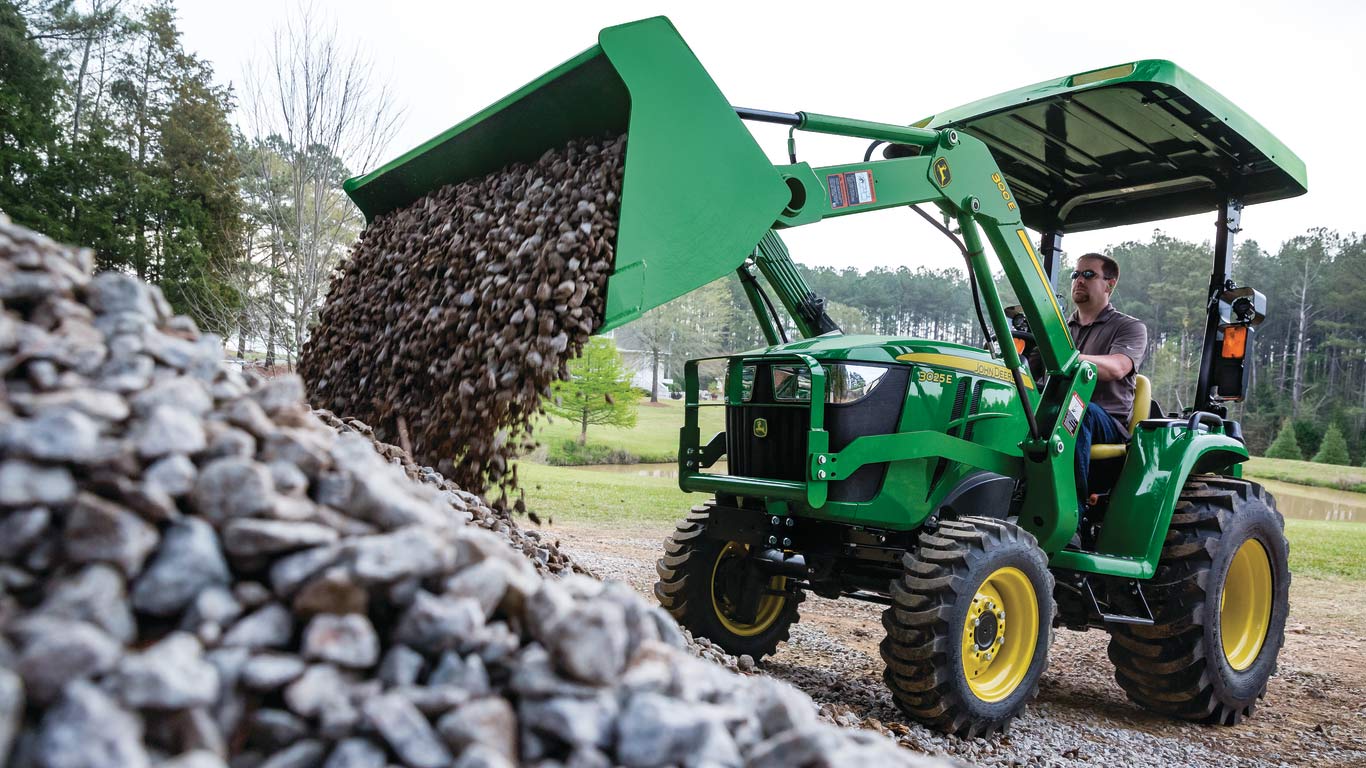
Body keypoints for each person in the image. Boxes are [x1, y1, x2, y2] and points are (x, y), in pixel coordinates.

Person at [1067, 253, 1148, 502]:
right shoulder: (1059, 329)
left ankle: (1073, 513)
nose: (1079, 280)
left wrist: (1068, 358)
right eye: (1076, 274)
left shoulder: (1129, 327)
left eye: (1088, 274)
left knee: (1078, 410)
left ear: (1109, 284)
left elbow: (1117, 367)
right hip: (1057, 411)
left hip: (1107, 421)